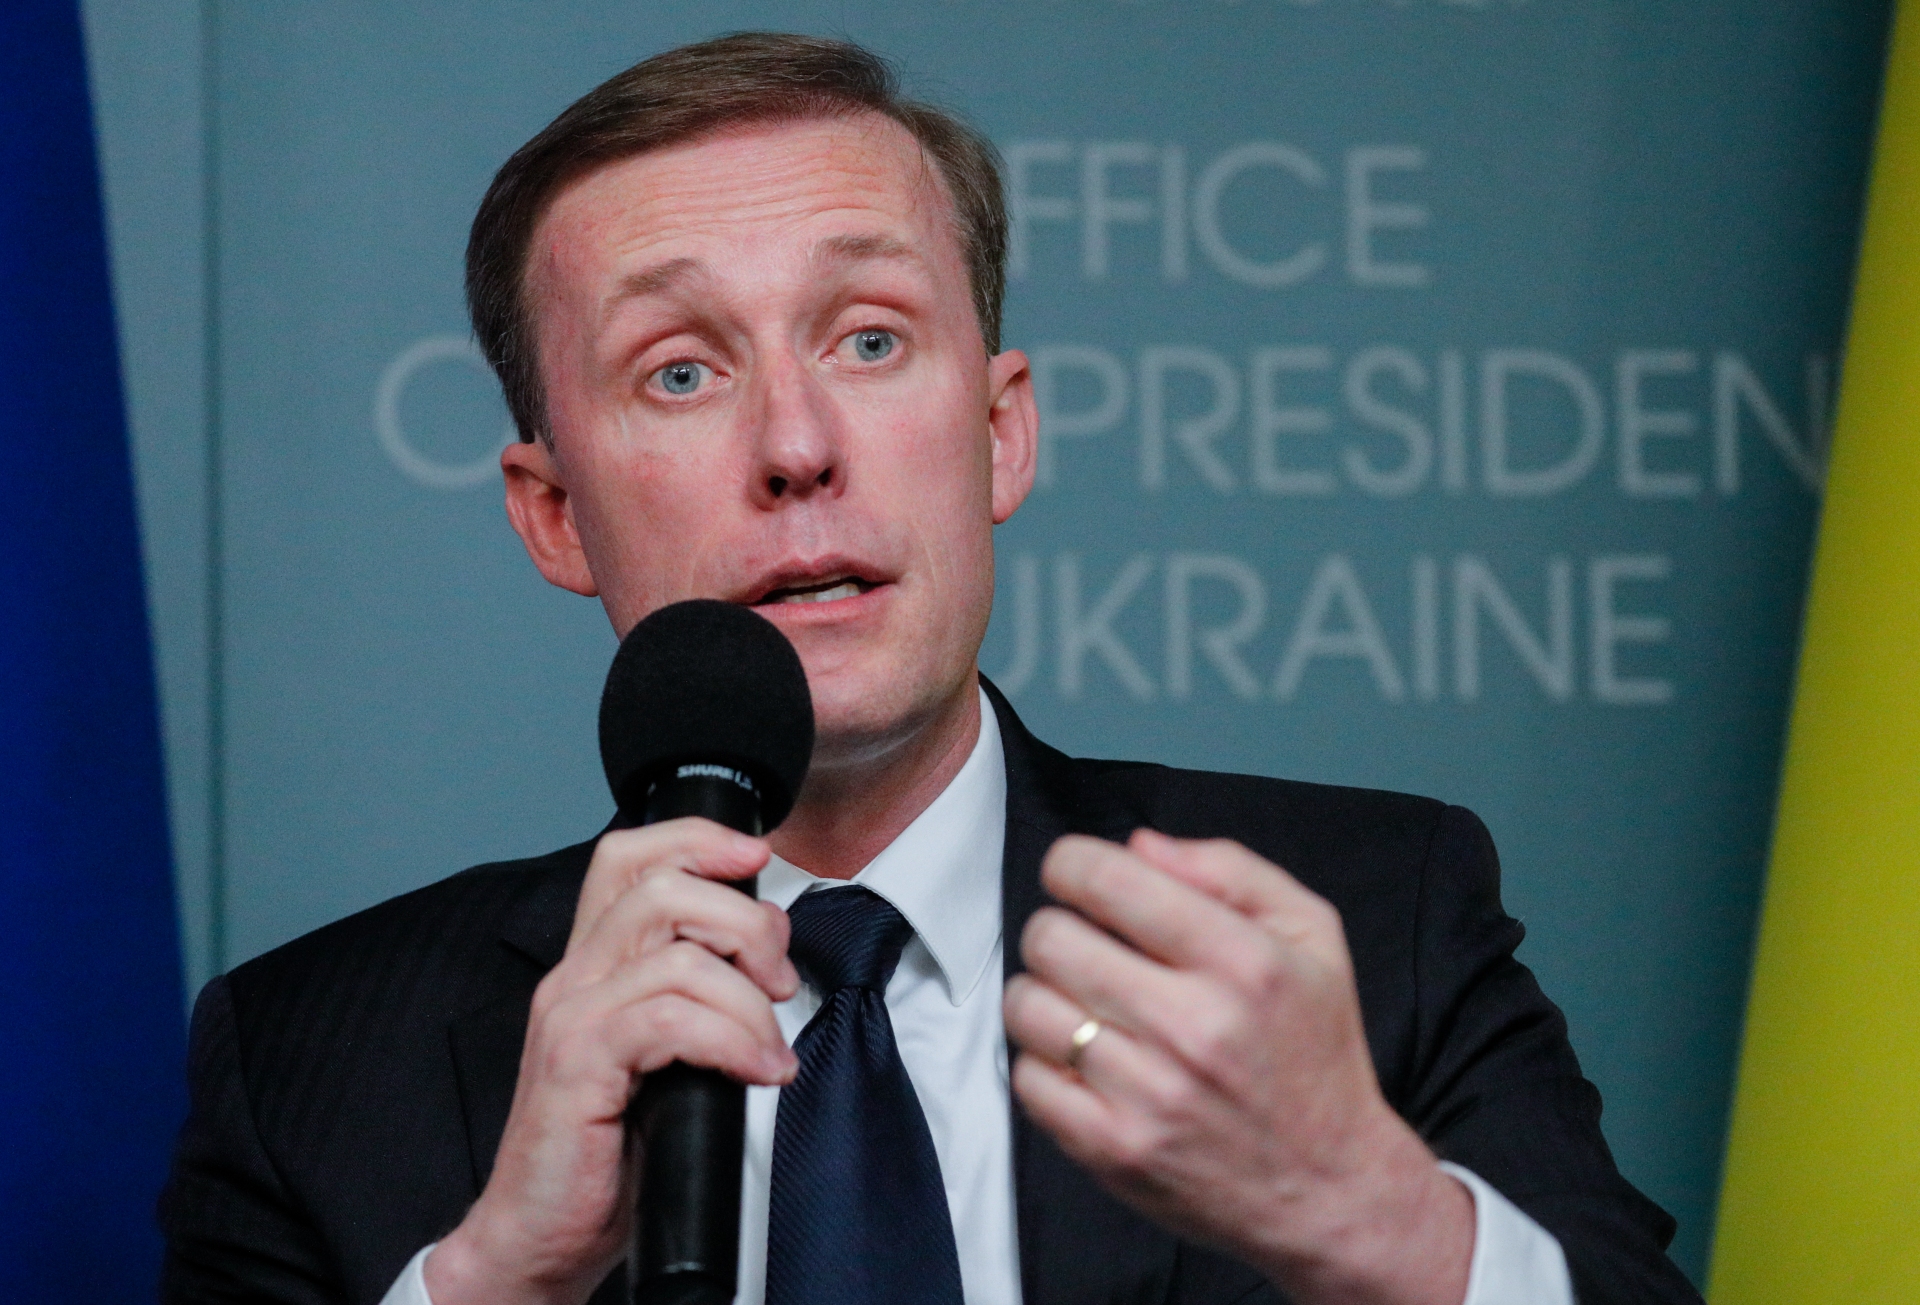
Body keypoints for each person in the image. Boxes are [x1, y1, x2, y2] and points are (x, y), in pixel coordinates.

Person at [159, 33, 1702, 1305]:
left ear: (1001, 432)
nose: (796, 444)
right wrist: (495, 1277)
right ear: (555, 512)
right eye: (681, 370)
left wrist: (1379, 1219)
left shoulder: (1371, 926)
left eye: (871, 339)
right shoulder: (307, 1065)